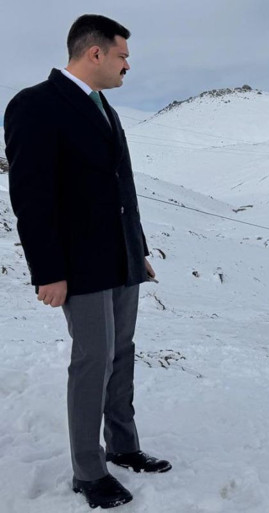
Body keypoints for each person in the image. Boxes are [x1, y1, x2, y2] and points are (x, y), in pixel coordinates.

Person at [4, 14, 170, 510]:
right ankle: (88, 471)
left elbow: (122, 187)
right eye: (122, 55)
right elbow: (31, 198)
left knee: (122, 355)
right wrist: (48, 271)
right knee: (92, 362)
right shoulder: (34, 105)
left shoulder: (104, 108)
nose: (127, 66)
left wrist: (137, 249)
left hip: (120, 258)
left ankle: (123, 446)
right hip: (78, 265)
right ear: (94, 53)